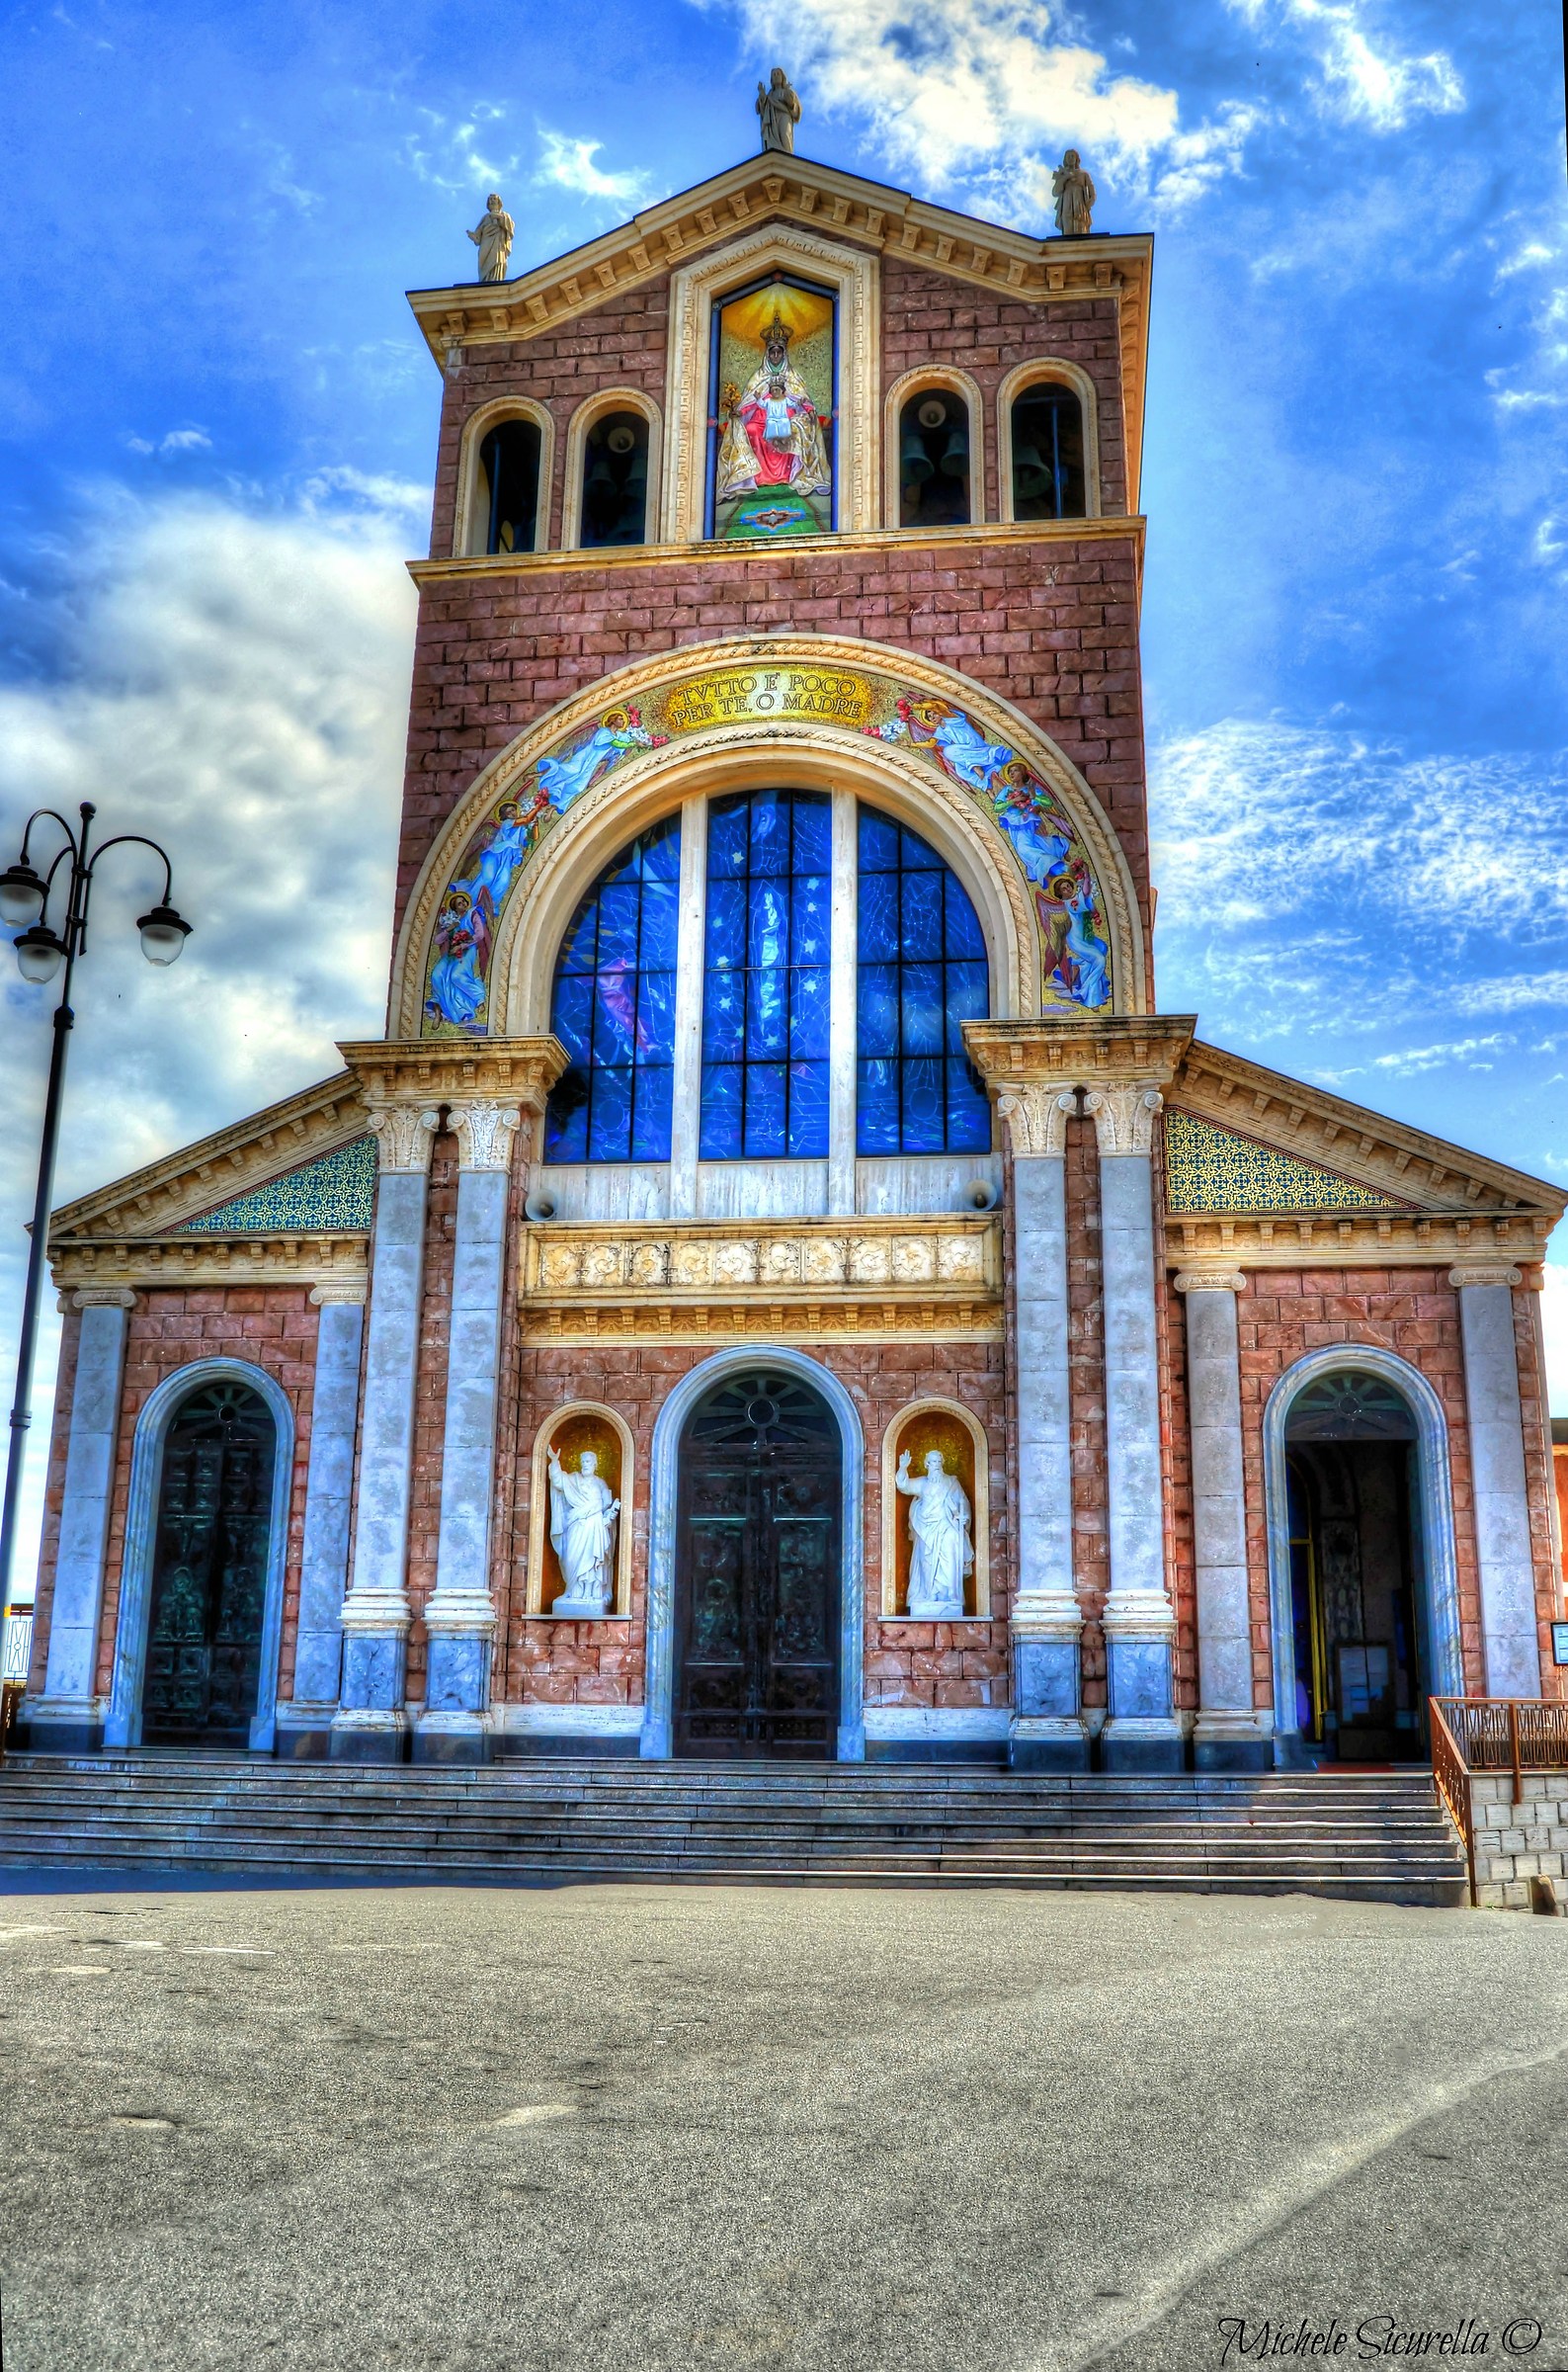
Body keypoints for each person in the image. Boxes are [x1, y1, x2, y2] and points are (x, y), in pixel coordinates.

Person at [714, 318, 832, 502]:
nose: (775, 356)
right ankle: (759, 477)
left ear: (784, 354)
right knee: (752, 430)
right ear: (767, 354)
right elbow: (752, 401)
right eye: (772, 352)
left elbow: (801, 399)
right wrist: (740, 412)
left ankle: (790, 476)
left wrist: (809, 410)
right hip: (761, 419)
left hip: (787, 417)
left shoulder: (792, 376)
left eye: (779, 352)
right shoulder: (758, 377)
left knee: (793, 429)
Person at [895, 1448, 973, 1619]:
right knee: (927, 1561)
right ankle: (930, 1594)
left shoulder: (952, 1482)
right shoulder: (922, 1483)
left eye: (939, 1461)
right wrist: (903, 1467)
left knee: (951, 1549)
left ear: (942, 1463)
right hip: (925, 1528)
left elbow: (962, 1502)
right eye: (933, 1462)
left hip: (945, 1525)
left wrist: (963, 1516)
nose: (936, 1465)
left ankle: (951, 1594)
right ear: (926, 1464)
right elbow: (903, 1485)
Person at [547, 1446, 619, 1615]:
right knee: (571, 1558)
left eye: (588, 1461)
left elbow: (605, 1504)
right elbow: (558, 1481)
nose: (585, 1464)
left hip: (594, 1526)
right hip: (576, 1524)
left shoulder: (600, 1483)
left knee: (592, 1560)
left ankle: (591, 1594)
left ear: (595, 1464)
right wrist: (554, 1461)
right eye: (583, 1461)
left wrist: (609, 1513)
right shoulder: (573, 1479)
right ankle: (573, 1591)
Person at [467, 193, 515, 284]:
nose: (492, 201)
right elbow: (478, 235)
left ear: (499, 201)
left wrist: (499, 217)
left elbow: (510, 228)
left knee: (497, 261)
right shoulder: (485, 217)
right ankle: (485, 281)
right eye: (490, 199)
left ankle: (495, 280)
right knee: (485, 262)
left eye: (494, 199)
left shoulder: (505, 215)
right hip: (486, 242)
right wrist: (473, 236)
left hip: (498, 243)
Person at [757, 67, 801, 154]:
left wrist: (789, 100)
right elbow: (762, 109)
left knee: (785, 135)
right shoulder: (770, 94)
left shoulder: (788, 91)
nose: (776, 76)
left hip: (784, 116)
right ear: (771, 80)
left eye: (778, 74)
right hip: (772, 120)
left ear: (782, 77)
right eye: (774, 75)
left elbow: (796, 109)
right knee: (772, 146)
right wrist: (762, 94)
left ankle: (787, 160)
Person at [1051, 151, 1095, 238]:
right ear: (1065, 159)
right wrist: (1065, 178)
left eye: (1072, 156)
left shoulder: (1084, 174)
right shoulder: (1062, 174)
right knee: (1067, 227)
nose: (1071, 158)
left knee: (1081, 226)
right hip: (1066, 204)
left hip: (1080, 205)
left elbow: (1092, 192)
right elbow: (1055, 192)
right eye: (1068, 156)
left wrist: (1089, 204)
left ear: (1076, 159)